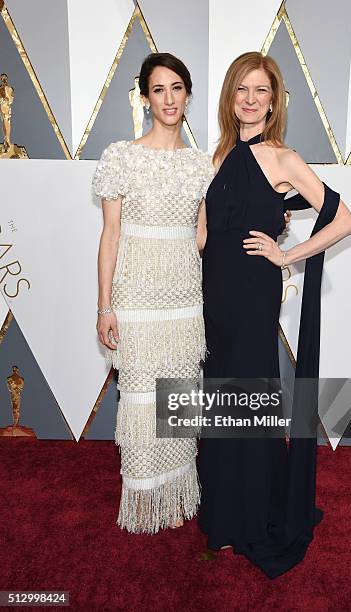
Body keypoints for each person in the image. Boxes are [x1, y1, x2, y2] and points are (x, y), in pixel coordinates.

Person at [197, 51, 351, 578]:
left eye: (260, 90)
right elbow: (204, 236)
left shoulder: (284, 159)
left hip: (251, 295)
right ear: (230, 96)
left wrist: (287, 255)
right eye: (241, 89)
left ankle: (248, 518)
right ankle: (224, 510)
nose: (249, 98)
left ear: (274, 99)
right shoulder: (218, 154)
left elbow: (344, 219)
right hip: (213, 295)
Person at [91, 53, 214, 534]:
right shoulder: (121, 156)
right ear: (145, 97)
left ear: (187, 95)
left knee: (179, 395)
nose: (168, 98)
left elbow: (203, 235)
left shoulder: (200, 164)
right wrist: (105, 306)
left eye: (177, 87)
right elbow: (110, 235)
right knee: (143, 397)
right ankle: (145, 497)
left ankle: (177, 492)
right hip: (136, 296)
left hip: (184, 298)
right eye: (158, 89)